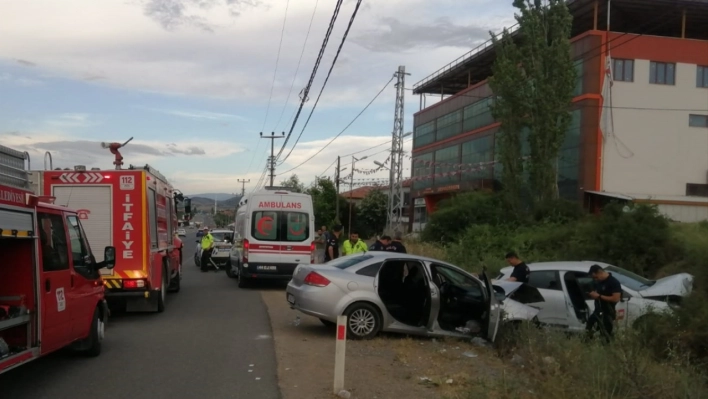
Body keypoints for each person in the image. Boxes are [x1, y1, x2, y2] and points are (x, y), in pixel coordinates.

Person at [586, 264, 622, 342]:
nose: (595, 279)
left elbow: (616, 298)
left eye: (596, 277)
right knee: (589, 328)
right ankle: (588, 345)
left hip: (608, 312)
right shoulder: (599, 282)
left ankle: (607, 348)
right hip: (598, 311)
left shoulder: (613, 282)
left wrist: (599, 296)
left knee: (606, 334)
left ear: (600, 272)